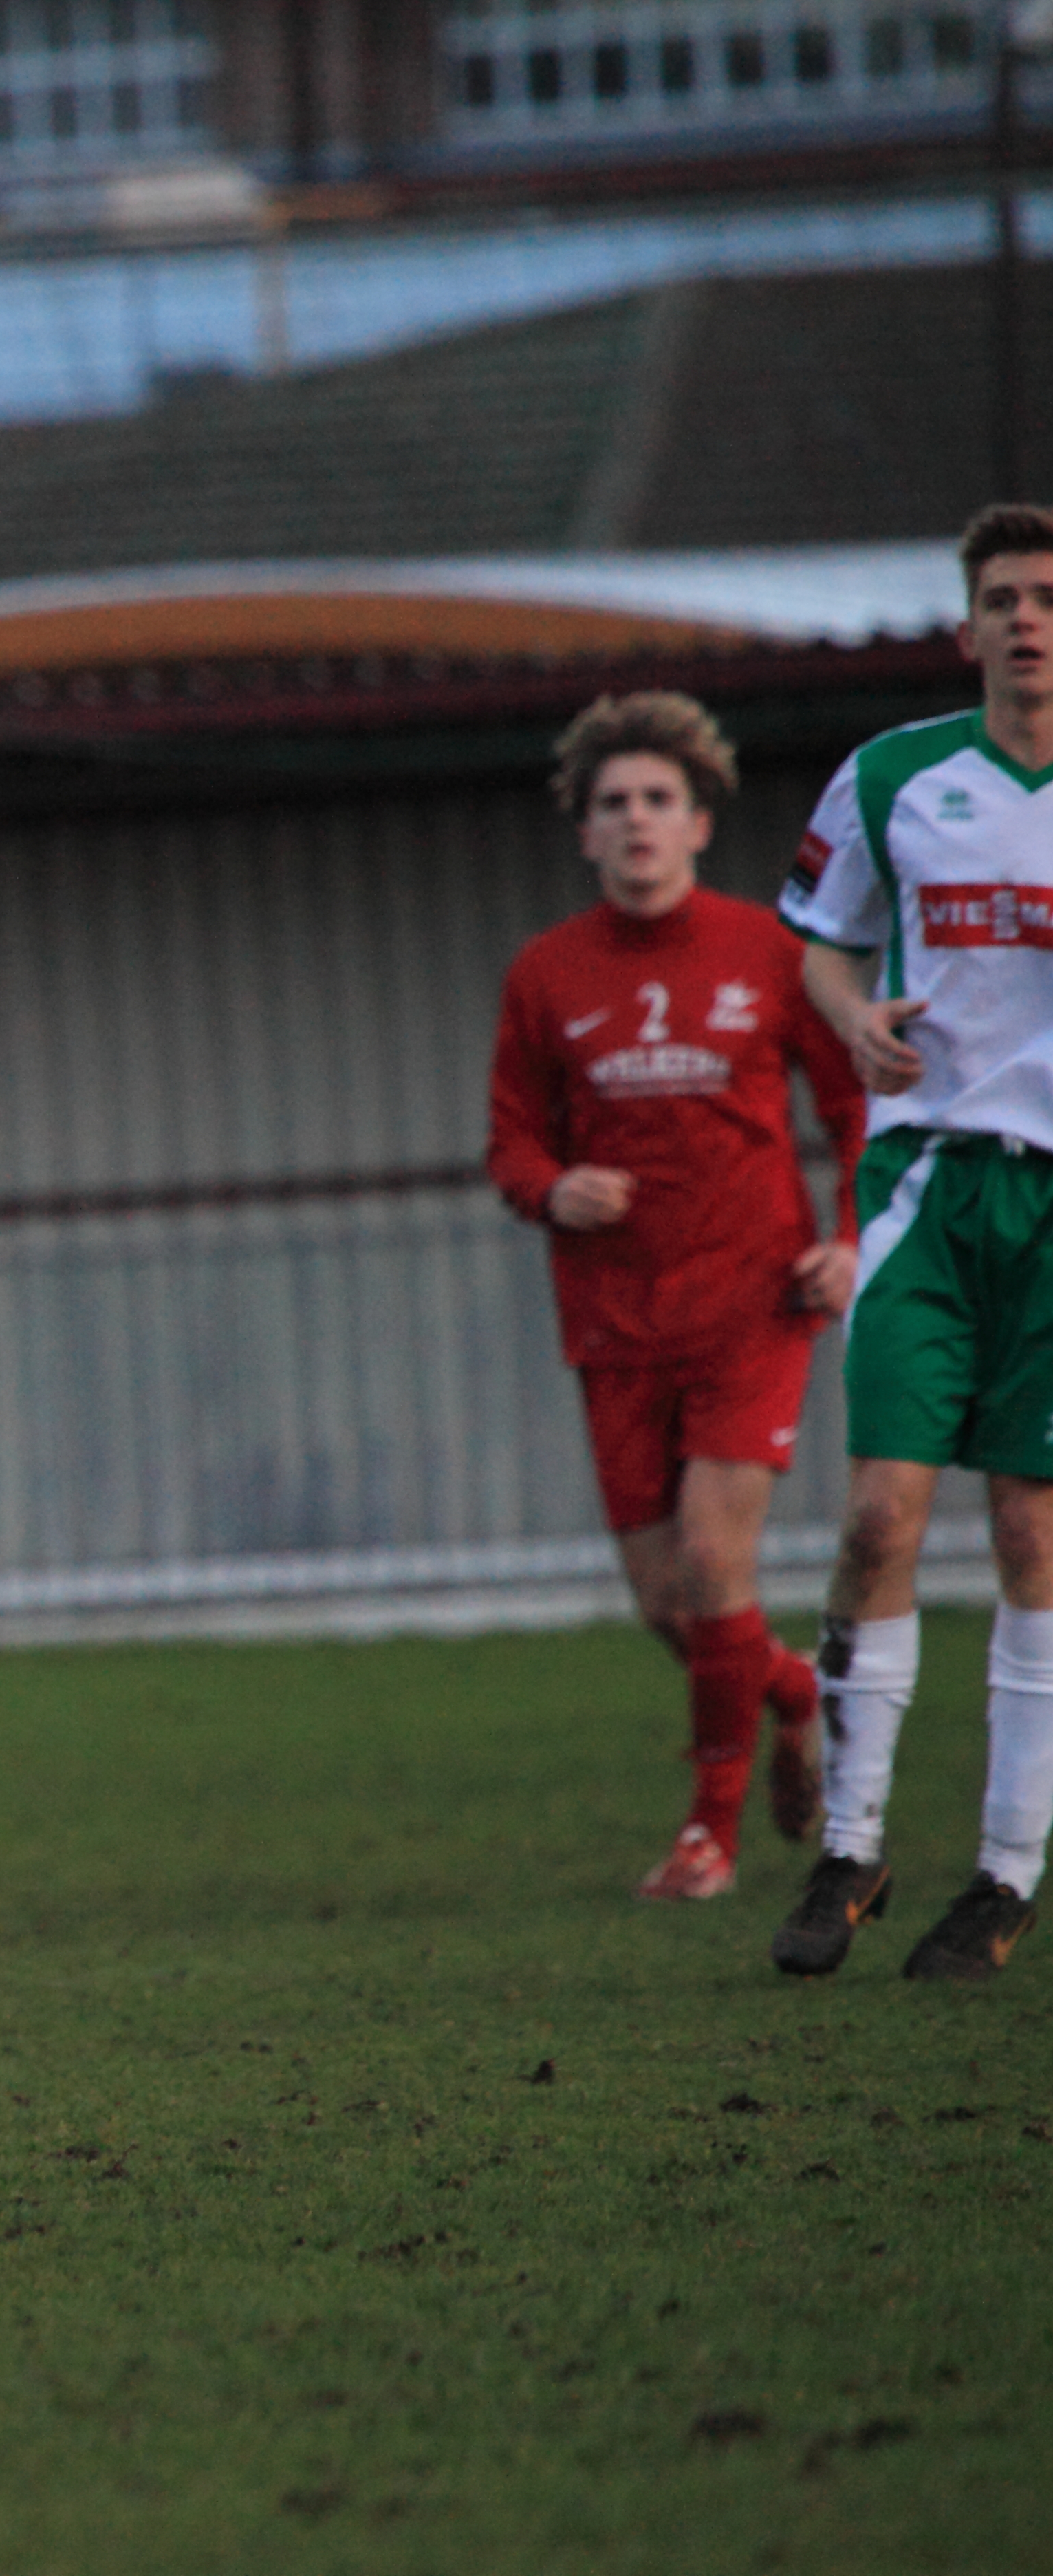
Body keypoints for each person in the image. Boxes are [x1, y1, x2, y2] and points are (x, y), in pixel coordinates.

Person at [486, 694, 863, 1904]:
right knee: (669, 1604)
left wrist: (850, 1238)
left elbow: (856, 1109)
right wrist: (553, 1188)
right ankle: (794, 1692)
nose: (637, 819)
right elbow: (510, 1143)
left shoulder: (771, 951)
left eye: (659, 799)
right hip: (613, 1318)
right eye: (614, 803)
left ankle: (709, 1835)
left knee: (712, 1559)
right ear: (585, 832)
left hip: (754, 1303)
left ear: (699, 822)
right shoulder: (546, 973)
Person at [768, 502, 1053, 1982]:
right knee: (879, 1517)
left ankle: (1005, 1873)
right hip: (927, 1186)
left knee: (1031, 1532)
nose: (1027, 620)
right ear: (967, 629)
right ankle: (852, 1846)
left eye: (1048, 596)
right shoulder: (894, 776)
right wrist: (852, 1015)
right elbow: (820, 940)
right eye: (1002, 598)